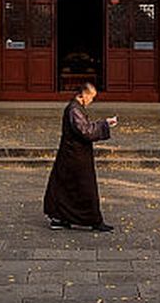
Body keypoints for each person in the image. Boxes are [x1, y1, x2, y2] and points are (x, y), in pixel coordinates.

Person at [43, 80, 116, 231]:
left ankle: (62, 217)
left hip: (74, 154)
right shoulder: (74, 110)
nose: (91, 101)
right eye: (91, 97)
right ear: (84, 95)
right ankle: (92, 220)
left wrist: (104, 123)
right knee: (83, 188)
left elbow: (85, 127)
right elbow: (85, 131)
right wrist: (104, 125)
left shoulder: (76, 108)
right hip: (74, 156)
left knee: (68, 187)